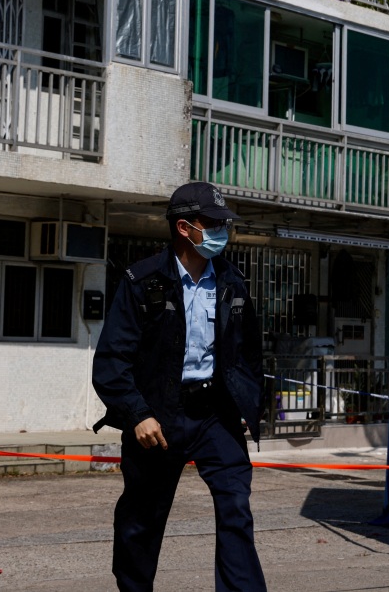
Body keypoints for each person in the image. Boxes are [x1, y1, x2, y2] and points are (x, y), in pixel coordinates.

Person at [93, 181, 267, 592]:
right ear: (186, 228)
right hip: (159, 417)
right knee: (142, 519)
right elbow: (111, 362)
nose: (223, 231)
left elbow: (250, 353)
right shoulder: (143, 281)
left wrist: (246, 402)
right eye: (214, 223)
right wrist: (138, 414)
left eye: (225, 224)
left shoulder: (232, 282)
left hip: (215, 416)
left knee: (236, 506)